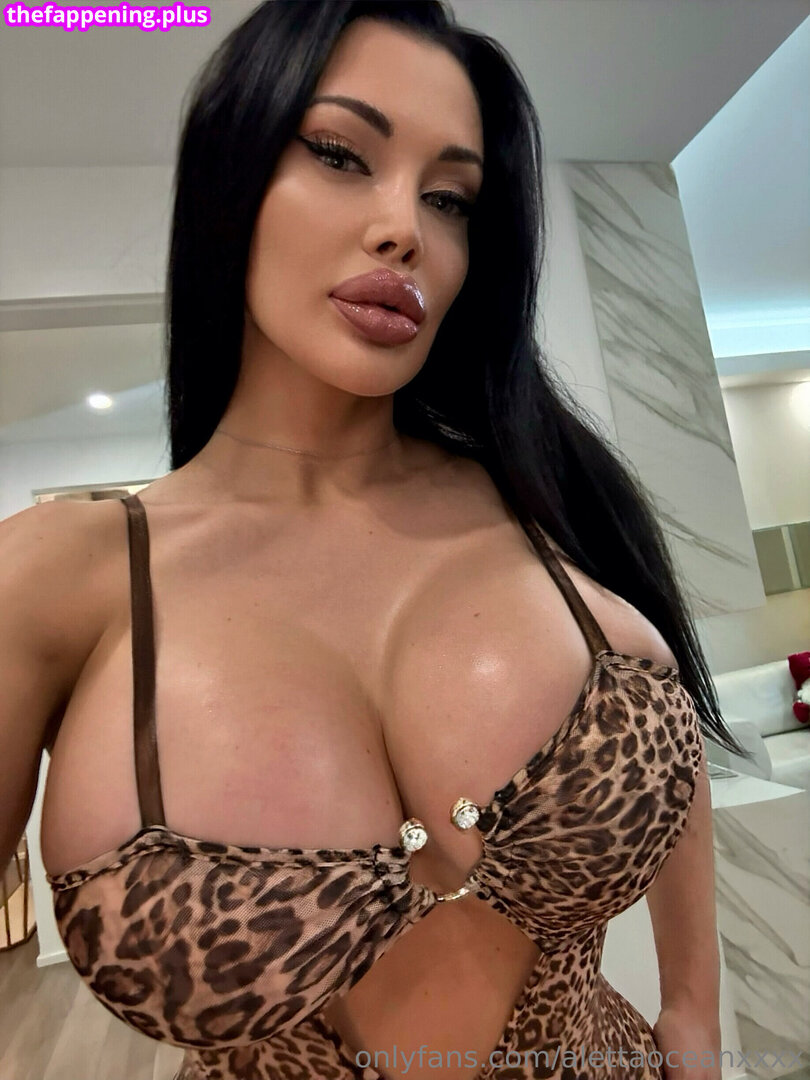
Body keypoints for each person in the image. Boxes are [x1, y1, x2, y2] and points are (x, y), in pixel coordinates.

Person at [0, 2, 750, 1078]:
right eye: (341, 154)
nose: (406, 229)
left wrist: (692, 1016)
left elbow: (663, 718)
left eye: (451, 200)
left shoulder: (539, 495)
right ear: (230, 176)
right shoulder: (55, 577)